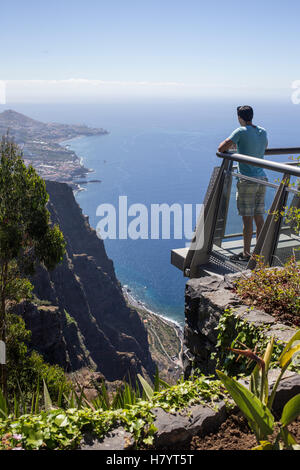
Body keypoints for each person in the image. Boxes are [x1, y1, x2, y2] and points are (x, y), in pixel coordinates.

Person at [218, 105, 268, 261]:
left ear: (240, 117)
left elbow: (221, 148)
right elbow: (263, 148)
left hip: (247, 180)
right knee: (259, 217)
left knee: (247, 219)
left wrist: (236, 146)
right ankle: (259, 252)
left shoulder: (240, 131)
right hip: (261, 178)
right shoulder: (262, 131)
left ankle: (246, 254)